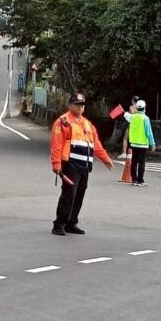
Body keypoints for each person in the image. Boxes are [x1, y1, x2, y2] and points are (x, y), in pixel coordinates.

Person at [50, 92, 114, 236]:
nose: (80, 107)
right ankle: (59, 224)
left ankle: (71, 223)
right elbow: (56, 145)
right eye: (77, 105)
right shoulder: (63, 122)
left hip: (84, 167)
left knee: (79, 195)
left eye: (82, 105)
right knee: (69, 195)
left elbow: (96, 144)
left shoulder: (87, 124)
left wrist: (105, 159)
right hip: (70, 165)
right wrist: (56, 164)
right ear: (70, 105)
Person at [124, 99, 156, 186]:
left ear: (137, 108)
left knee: (134, 161)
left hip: (134, 144)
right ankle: (140, 180)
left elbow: (125, 114)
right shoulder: (145, 118)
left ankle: (134, 179)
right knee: (141, 162)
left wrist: (132, 110)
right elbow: (149, 132)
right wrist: (152, 143)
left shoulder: (132, 117)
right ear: (144, 108)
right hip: (143, 144)